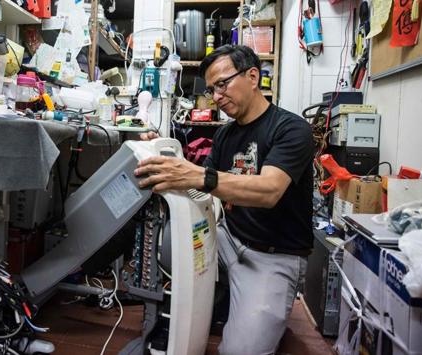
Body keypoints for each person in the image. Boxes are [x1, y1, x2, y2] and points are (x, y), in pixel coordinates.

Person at [135, 45, 315, 355]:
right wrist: (163, 152)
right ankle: (202, 306)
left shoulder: (291, 128)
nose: (216, 96)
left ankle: (255, 306)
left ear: (253, 76)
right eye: (211, 89)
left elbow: (269, 191)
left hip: (272, 255)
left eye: (223, 84)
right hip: (228, 238)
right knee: (167, 244)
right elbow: (204, 186)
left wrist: (196, 176)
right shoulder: (225, 135)